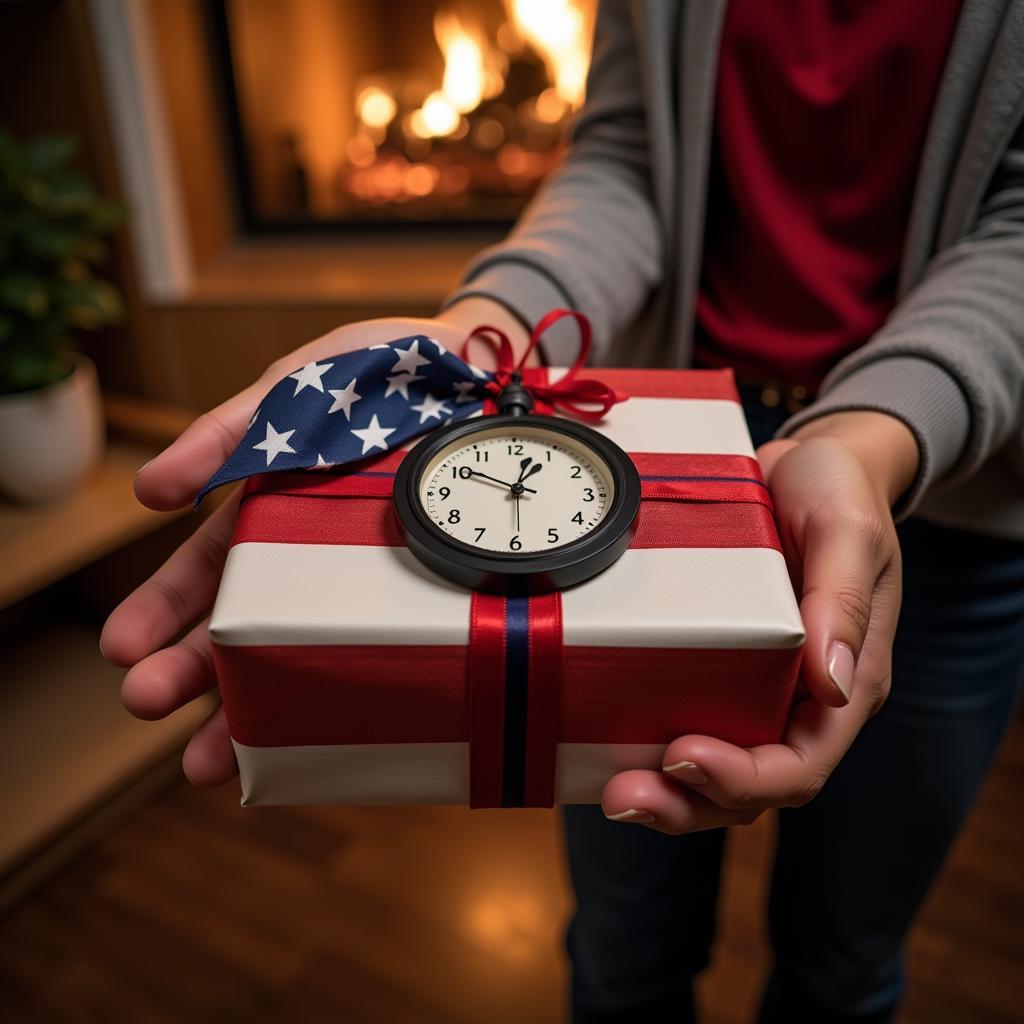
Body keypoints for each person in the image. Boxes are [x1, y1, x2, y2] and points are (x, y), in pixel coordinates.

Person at [101, 1, 1024, 1020]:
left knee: (845, 958)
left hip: (945, 473)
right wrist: (483, 334)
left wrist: (873, 430)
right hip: (656, 426)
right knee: (623, 945)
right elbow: (625, 152)